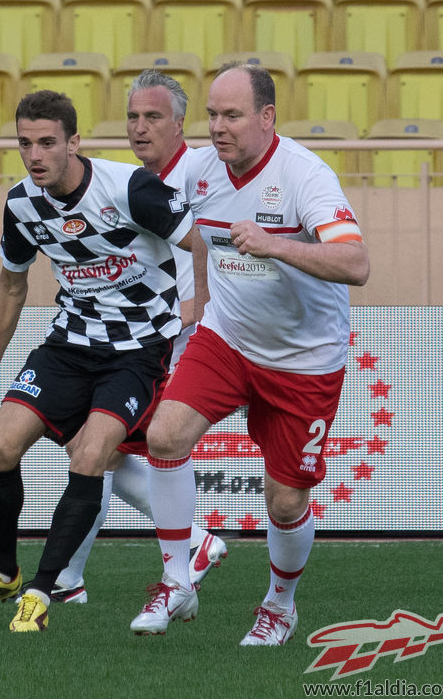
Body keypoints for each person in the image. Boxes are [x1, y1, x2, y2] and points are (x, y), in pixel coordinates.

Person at [132, 62, 370, 644]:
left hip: (304, 359)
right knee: (163, 436)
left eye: (232, 115)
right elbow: (165, 210)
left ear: (267, 117)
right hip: (227, 339)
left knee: (285, 501)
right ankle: (176, 580)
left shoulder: (304, 175)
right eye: (211, 114)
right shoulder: (198, 168)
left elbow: (357, 264)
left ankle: (280, 605)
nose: (218, 127)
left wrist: (276, 245)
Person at [0, 90, 196, 632]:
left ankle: (43, 589)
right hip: (69, 344)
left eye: (47, 143)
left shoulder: (129, 188)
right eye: (25, 143)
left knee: (91, 457)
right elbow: (11, 285)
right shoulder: (20, 204)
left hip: (136, 352)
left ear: (74, 142)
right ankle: (4, 572)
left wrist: (194, 314)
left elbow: (206, 248)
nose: (35, 155)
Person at [47, 70, 227, 605]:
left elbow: (217, 251)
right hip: (131, 337)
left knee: (100, 448)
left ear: (179, 122)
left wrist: (194, 311)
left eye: (153, 117)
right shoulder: (125, 180)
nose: (140, 127)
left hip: (172, 340)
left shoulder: (204, 175)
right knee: (95, 449)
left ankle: (75, 577)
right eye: (132, 116)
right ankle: (71, 577)